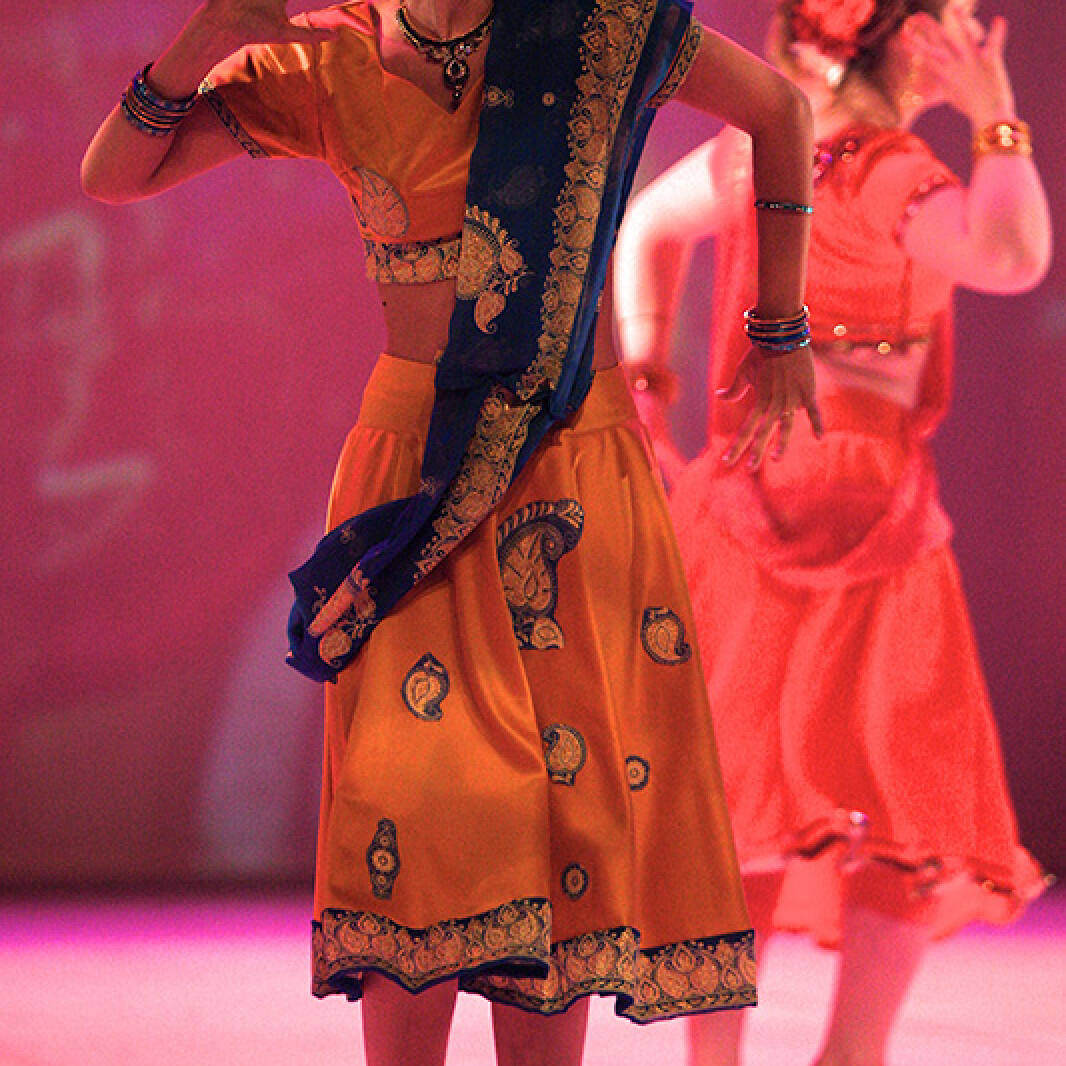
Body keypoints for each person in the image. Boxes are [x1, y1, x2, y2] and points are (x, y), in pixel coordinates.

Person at [82, 2, 822, 1063]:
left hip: (571, 460)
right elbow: (115, 174)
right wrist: (210, 35)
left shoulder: (594, 29)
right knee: (408, 803)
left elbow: (780, 109)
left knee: (565, 817)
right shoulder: (328, 56)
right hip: (416, 473)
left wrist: (779, 328)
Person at [614, 1, 1052, 1064]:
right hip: (865, 505)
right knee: (905, 793)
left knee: (738, 799)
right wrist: (997, 117)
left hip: (748, 488)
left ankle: (719, 1058)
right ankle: (850, 1054)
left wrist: (647, 369)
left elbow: (650, 222)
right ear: (907, 38)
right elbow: (1010, 256)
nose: (977, 28)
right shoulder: (891, 171)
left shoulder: (759, 155)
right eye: (958, 15)